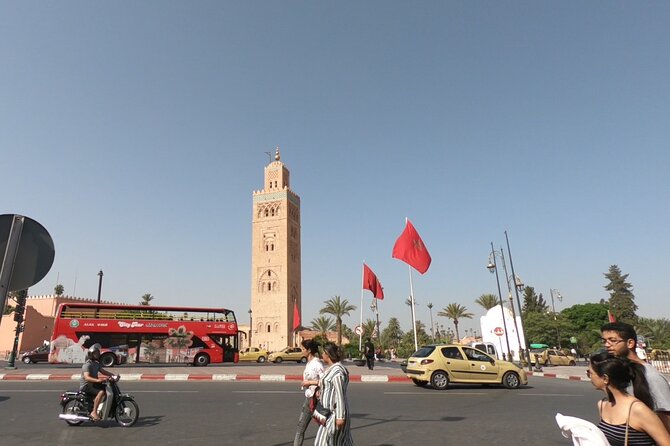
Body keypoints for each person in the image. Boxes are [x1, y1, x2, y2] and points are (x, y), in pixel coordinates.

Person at [587, 352, 670, 445]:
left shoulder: (638, 410)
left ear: (605, 378)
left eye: (590, 373)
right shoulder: (602, 405)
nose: (589, 377)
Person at [601, 322, 670, 432]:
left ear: (630, 343)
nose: (607, 345)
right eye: (604, 341)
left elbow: (666, 417)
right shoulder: (619, 373)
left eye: (613, 340)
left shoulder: (651, 376)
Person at [314, 342, 353, 446]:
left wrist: (340, 417)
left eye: (323, 352)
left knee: (328, 443)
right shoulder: (331, 369)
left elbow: (340, 395)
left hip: (334, 415)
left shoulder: (337, 372)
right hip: (327, 414)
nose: (322, 355)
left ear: (328, 354)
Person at [294, 339, 324, 446]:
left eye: (303, 349)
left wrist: (309, 382)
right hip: (309, 399)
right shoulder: (309, 363)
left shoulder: (317, 364)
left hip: (316, 400)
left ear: (309, 350)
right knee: (300, 427)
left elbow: (324, 381)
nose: (301, 351)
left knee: (323, 428)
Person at [79, 343, 114, 421]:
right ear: (91, 354)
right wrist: (98, 380)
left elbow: (103, 371)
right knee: (101, 392)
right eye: (95, 353)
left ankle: (97, 403)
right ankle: (94, 412)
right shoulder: (87, 365)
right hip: (86, 385)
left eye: (98, 353)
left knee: (105, 388)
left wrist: (113, 375)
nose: (97, 355)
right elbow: (87, 378)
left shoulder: (96, 364)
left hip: (93, 384)